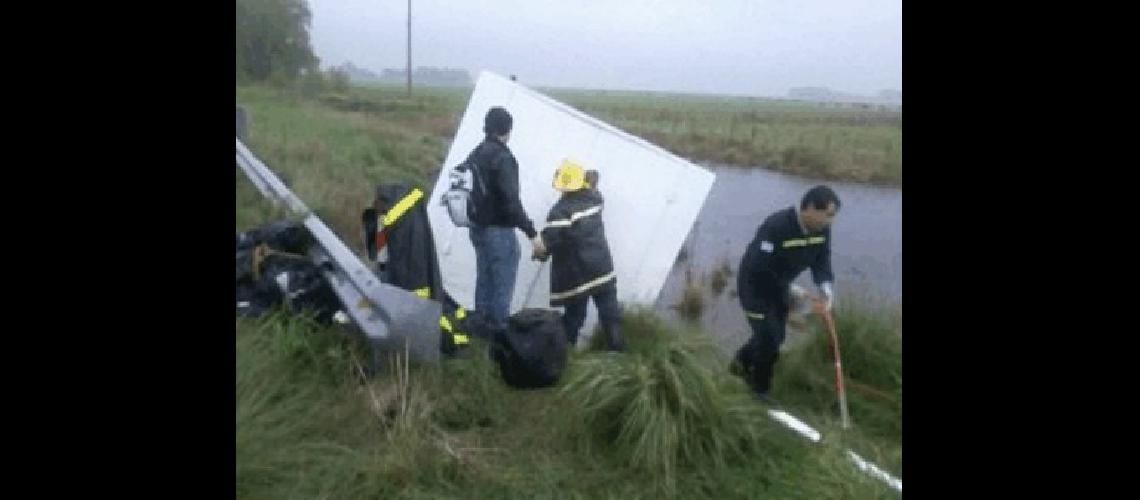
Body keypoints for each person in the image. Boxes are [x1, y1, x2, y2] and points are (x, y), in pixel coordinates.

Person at [733, 185, 841, 403]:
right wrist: (792, 290)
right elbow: (759, 266)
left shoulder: (822, 231)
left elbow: (822, 259)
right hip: (755, 287)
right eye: (827, 215)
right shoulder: (776, 226)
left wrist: (825, 286)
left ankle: (739, 365)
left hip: (781, 288)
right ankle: (760, 390)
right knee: (770, 338)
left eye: (833, 216)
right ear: (810, 208)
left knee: (776, 335)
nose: (830, 221)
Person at [464, 107, 544, 339]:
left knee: (484, 278)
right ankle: (497, 338)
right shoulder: (503, 157)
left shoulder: (476, 153)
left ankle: (480, 331)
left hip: (477, 229)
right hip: (499, 231)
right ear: (507, 130)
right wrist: (532, 233)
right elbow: (511, 201)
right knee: (502, 285)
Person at [534, 160, 624, 351]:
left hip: (576, 276)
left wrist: (539, 251)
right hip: (601, 269)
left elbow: (547, 244)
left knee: (574, 317)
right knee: (610, 313)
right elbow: (592, 180)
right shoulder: (595, 199)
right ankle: (618, 352)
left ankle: (565, 356)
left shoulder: (559, 212)